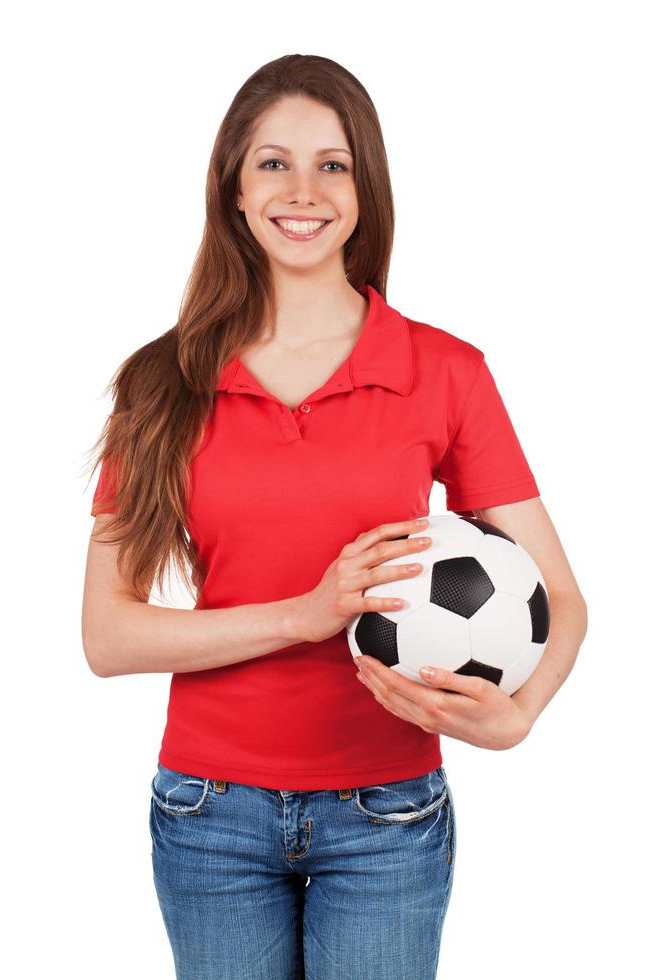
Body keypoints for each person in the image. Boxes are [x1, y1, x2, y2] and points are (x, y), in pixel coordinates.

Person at [82, 54, 588, 980]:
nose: (303, 190)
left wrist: (518, 718)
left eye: (334, 164)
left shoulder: (446, 372)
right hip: (208, 810)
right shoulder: (162, 384)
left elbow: (559, 596)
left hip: (387, 810)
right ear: (234, 188)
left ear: (365, 190)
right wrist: (306, 615)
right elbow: (108, 636)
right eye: (273, 163)